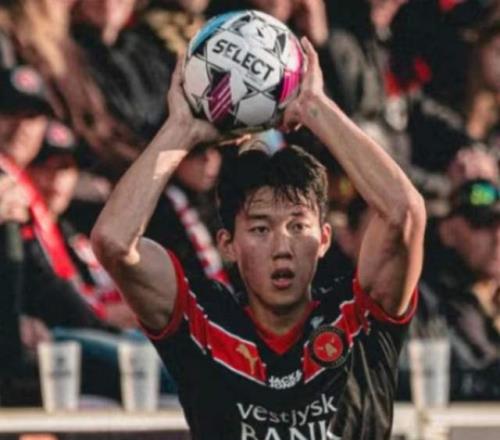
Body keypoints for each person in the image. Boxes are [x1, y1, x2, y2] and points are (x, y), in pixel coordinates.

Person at [91, 38, 426, 439]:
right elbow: (114, 241)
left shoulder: (357, 320)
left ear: (324, 239)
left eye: (298, 227)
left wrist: (316, 109)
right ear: (227, 244)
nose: (282, 248)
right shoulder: (202, 323)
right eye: (260, 229)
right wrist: (180, 130)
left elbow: (405, 215)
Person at [414, 178, 500, 399]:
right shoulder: (427, 299)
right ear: (448, 231)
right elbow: (463, 377)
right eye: (482, 224)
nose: (497, 237)